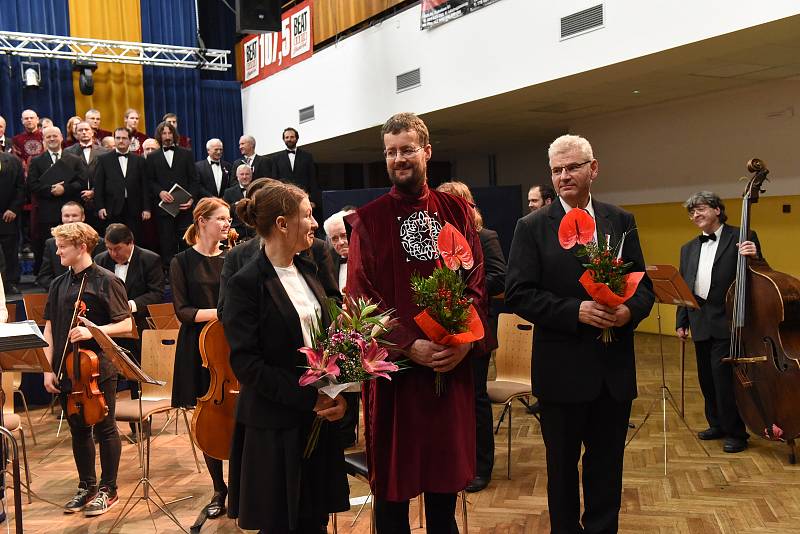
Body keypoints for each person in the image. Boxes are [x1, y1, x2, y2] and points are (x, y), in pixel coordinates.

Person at [346, 112, 494, 531]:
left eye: (407, 149)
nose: (399, 159)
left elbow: (476, 282)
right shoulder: (369, 220)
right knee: (393, 499)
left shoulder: (457, 210)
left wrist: (463, 342)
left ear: (427, 152)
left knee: (444, 497)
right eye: (391, 152)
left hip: (450, 368)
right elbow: (360, 297)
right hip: (396, 377)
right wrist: (411, 344)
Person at [505, 134, 654, 534]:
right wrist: (576, 311)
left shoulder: (620, 221)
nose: (564, 176)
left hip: (613, 374)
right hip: (562, 372)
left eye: (572, 167)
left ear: (594, 169)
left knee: (607, 471)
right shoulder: (532, 227)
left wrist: (626, 313)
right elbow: (519, 293)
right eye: (557, 170)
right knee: (562, 472)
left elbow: (644, 288)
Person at [221, 179, 349, 532]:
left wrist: (336, 393)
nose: (313, 223)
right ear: (281, 223)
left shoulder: (308, 269)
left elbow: (329, 339)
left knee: (314, 521)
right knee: (281, 525)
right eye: (307, 215)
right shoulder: (245, 284)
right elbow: (247, 364)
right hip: (275, 426)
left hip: (317, 419)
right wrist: (309, 398)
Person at [41, 221, 131, 516]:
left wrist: (94, 331)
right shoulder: (58, 284)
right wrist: (47, 368)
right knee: (78, 429)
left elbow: (127, 324)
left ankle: (109, 488)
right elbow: (51, 329)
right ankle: (86, 485)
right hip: (66, 369)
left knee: (105, 428)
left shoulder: (106, 280)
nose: (58, 252)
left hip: (97, 368)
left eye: (62, 247)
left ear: (82, 247)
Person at [436, 180, 506, 493]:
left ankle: (481, 467)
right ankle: (455, 460)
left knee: (476, 397)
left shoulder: (484, 236)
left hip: (475, 327)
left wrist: (460, 294)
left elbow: (499, 276)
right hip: (444, 328)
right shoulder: (435, 241)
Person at [676, 191, 759, 454]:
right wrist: (682, 320)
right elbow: (683, 286)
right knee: (706, 379)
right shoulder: (688, 248)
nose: (695, 215)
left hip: (728, 319)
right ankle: (717, 424)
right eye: (691, 212)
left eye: (700, 209)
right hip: (699, 320)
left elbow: (756, 274)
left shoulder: (742, 236)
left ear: (717, 210)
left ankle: (737, 433)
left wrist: (755, 255)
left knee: (723, 380)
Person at [169, 197, 232, 522]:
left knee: (239, 414)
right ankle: (219, 488)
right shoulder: (181, 261)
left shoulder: (232, 258)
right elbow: (183, 312)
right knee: (210, 417)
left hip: (232, 346)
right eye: (221, 218)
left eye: (229, 219)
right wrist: (222, 314)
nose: (226, 224)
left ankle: (240, 485)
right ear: (202, 220)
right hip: (199, 348)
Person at [95, 223, 164, 438]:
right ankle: (103, 427)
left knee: (137, 376)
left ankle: (141, 425)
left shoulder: (149, 259)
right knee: (104, 377)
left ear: (130, 243)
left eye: (117, 248)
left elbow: (156, 292)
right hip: (111, 328)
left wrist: (130, 306)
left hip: (138, 326)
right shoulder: (100, 260)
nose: (113, 253)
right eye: (109, 248)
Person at [27, 126, 88, 272]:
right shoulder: (36, 161)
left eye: (55, 136)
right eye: (48, 137)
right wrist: (51, 190)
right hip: (48, 213)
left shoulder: (74, 159)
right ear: (43, 140)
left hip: (72, 213)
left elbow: (82, 181)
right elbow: (32, 185)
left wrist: (64, 189)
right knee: (51, 246)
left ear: (61, 137)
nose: (52, 139)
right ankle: (51, 276)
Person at [322, 208, 359, 447]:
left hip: (371, 331)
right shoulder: (328, 264)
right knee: (345, 382)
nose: (340, 242)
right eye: (334, 238)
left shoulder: (372, 259)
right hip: (342, 333)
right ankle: (346, 435)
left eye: (343, 235)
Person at [146, 121, 199, 270]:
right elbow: (150, 180)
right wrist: (160, 192)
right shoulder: (152, 157)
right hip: (164, 209)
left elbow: (194, 180)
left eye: (170, 133)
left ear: (174, 135)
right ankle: (170, 272)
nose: (167, 136)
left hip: (184, 207)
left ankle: (188, 270)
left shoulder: (186, 154)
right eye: (164, 133)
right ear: (159, 136)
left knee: (186, 240)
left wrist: (191, 199)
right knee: (166, 242)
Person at [94, 127, 151, 239]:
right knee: (113, 239)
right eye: (118, 138)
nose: (121, 141)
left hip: (135, 208)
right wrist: (100, 207)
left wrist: (146, 208)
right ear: (114, 139)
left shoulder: (139, 160)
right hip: (111, 208)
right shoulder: (103, 159)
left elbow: (145, 186)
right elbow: (98, 185)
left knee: (134, 238)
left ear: (130, 140)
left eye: (124, 138)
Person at [37, 202, 105, 289]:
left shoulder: (97, 242)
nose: (70, 220)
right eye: (66, 216)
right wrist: (63, 289)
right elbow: (44, 277)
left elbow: (101, 275)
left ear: (83, 217)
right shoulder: (51, 243)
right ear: (61, 217)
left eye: (74, 215)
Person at [271, 127, 321, 220]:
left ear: (297, 138)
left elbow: (313, 179)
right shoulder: (276, 159)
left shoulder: (307, 156)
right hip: (284, 199)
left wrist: (313, 200)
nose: (289, 139)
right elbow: (275, 182)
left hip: (304, 198)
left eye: (292, 137)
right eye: (287, 137)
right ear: (284, 139)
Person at [0, 149, 24, 295]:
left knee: (10, 251)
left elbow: (21, 187)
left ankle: (9, 283)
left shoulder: (13, 161)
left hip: (7, 215)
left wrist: (14, 209)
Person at [222, 165, 256, 241]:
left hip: (255, 229)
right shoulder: (229, 192)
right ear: (237, 176)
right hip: (236, 230)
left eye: (247, 174)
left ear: (251, 176)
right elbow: (225, 212)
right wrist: (235, 205)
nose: (244, 177)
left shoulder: (258, 190)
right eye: (242, 174)